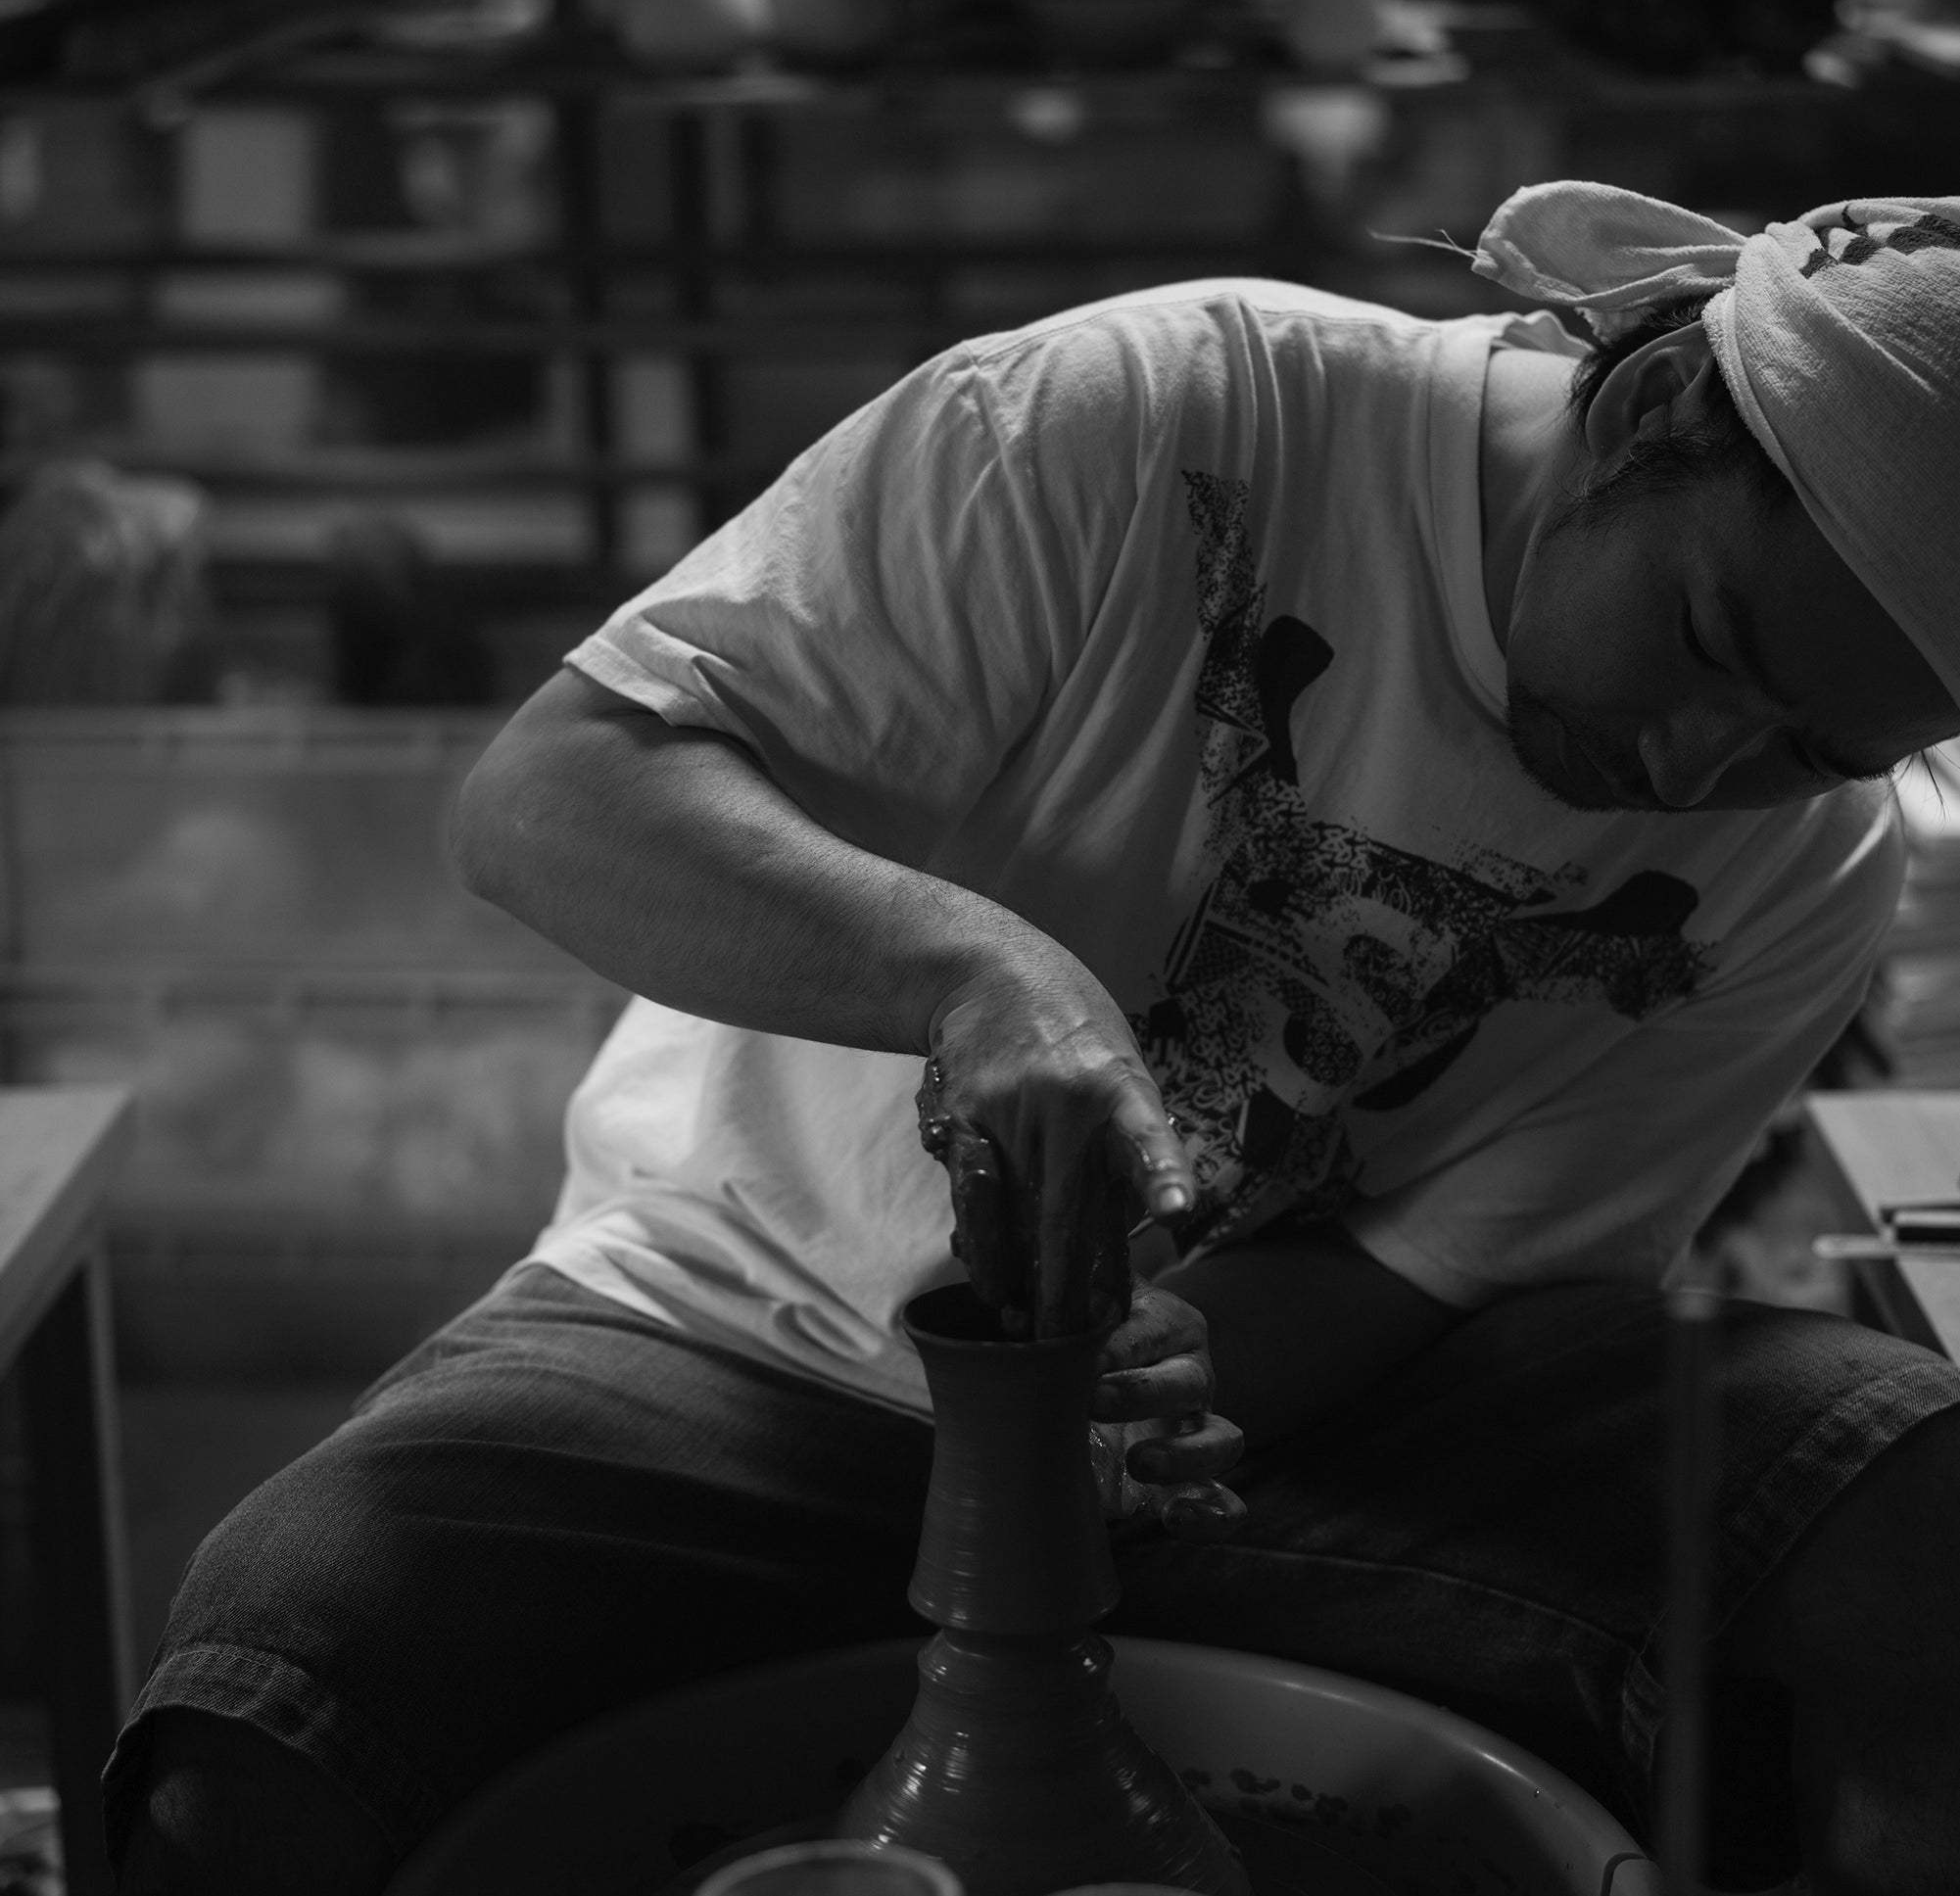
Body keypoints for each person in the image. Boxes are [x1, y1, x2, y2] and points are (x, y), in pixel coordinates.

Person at [112, 185, 1960, 1895]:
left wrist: (1154, 1377)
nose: (1699, 768)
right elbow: (546, 797)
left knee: (1907, 1503)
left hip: (1258, 1441)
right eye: (1708, 642)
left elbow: (1437, 1269)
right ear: (1649, 416)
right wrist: (973, 971)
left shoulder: (1809, 870)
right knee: (272, 1693)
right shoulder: (1168, 415)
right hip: (732, 1331)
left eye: (1816, 746)